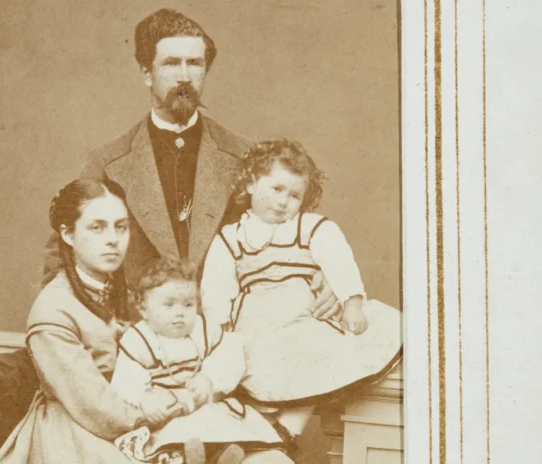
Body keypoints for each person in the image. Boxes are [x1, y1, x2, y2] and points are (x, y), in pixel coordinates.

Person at [40, 8, 342, 323]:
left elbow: (301, 235)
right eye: (171, 63)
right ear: (147, 73)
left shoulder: (248, 157)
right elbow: (62, 256)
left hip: (236, 329)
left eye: (195, 64)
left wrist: (329, 277)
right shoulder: (108, 162)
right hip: (140, 335)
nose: (185, 76)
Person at [200, 140, 403, 455]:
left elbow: (339, 260)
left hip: (303, 318)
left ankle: (284, 434)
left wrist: (352, 302)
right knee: (254, 373)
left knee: (318, 361)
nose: (284, 202)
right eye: (277, 189)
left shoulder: (309, 227)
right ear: (251, 182)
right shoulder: (231, 237)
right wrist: (218, 330)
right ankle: (250, 438)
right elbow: (216, 286)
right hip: (258, 324)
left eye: (295, 195)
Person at [0, 179, 149, 463]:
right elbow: (95, 407)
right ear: (67, 234)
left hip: (119, 415)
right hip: (75, 429)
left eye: (120, 227)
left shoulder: (117, 291)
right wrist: (157, 416)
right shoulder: (53, 311)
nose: (112, 239)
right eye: (97, 227)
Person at [110, 258, 286, 464]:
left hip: (202, 406)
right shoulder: (139, 339)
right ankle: (190, 458)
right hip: (170, 412)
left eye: (188, 304)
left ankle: (220, 457)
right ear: (142, 308)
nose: (179, 313)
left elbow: (228, 352)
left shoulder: (202, 329)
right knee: (172, 438)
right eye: (168, 305)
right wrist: (143, 397)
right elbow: (125, 376)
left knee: (220, 426)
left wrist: (209, 379)